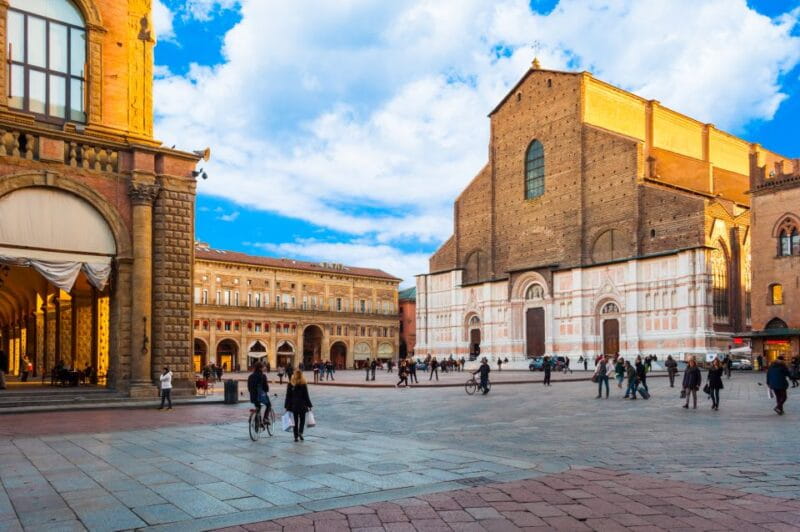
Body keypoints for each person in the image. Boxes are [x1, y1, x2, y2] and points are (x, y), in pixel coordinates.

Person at [285, 369, 313, 441]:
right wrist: (309, 405)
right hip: (302, 405)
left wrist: (286, 405)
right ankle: (300, 432)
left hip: (293, 405)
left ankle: (295, 436)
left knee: (295, 421)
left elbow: (288, 396)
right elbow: (306, 396)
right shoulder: (303, 384)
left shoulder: (290, 384)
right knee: (302, 419)